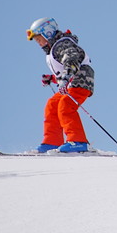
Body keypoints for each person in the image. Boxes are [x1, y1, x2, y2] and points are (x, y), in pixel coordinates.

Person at [26, 17, 94, 153]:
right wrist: (52, 78)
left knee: (66, 104)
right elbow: (64, 73)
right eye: (36, 41)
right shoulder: (53, 50)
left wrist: (65, 77)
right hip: (70, 83)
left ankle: (78, 141)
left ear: (48, 33)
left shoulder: (63, 44)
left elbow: (72, 59)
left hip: (81, 81)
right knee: (52, 105)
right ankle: (52, 142)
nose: (39, 43)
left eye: (39, 39)